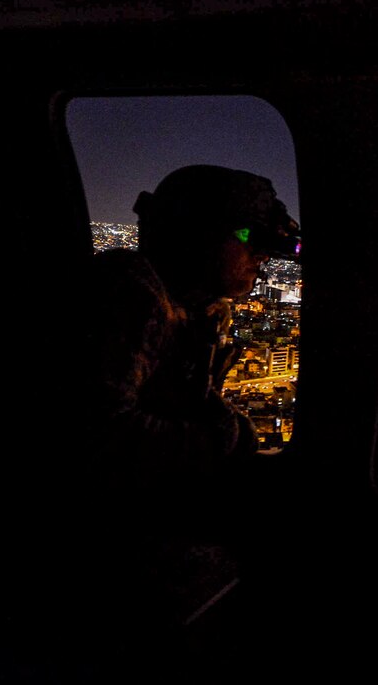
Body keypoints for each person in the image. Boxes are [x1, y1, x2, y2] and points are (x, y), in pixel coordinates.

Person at [71, 164, 302, 645]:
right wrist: (221, 436)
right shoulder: (131, 292)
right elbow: (97, 434)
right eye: (245, 235)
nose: (259, 254)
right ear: (193, 233)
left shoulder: (197, 305)